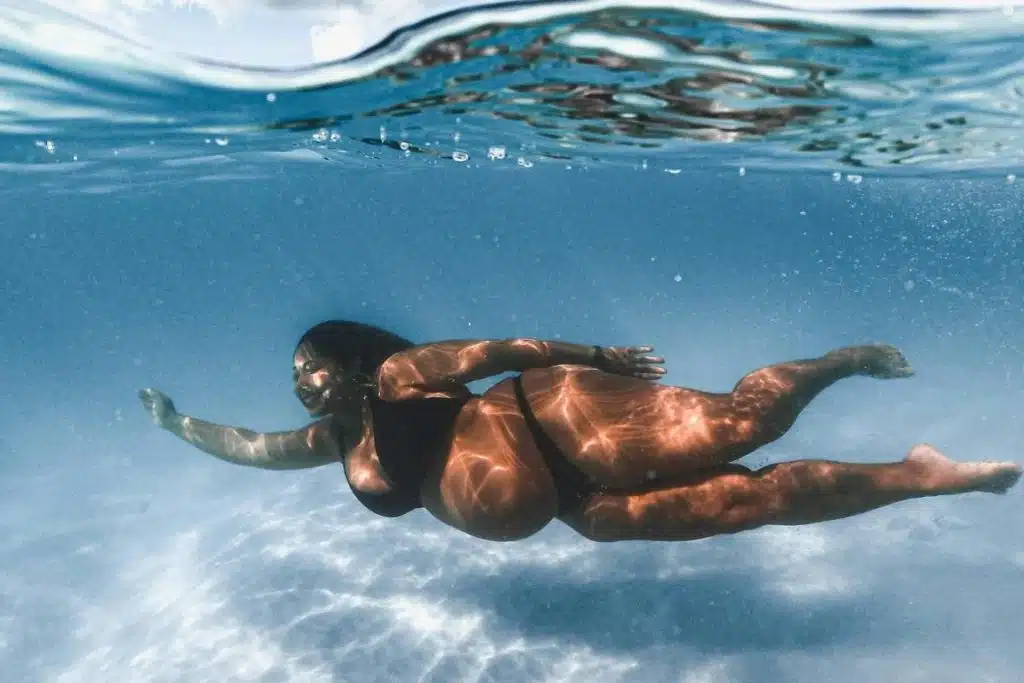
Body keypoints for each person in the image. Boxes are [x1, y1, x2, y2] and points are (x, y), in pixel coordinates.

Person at [138, 320, 1020, 542]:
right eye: (293, 378)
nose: (299, 384)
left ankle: (836, 360)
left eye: (310, 367)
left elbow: (495, 345)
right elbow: (246, 446)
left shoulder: (403, 376)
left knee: (746, 425)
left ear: (352, 359)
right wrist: (180, 424)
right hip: (574, 504)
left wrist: (588, 350)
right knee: (754, 502)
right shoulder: (336, 446)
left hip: (556, 419)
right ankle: (921, 472)